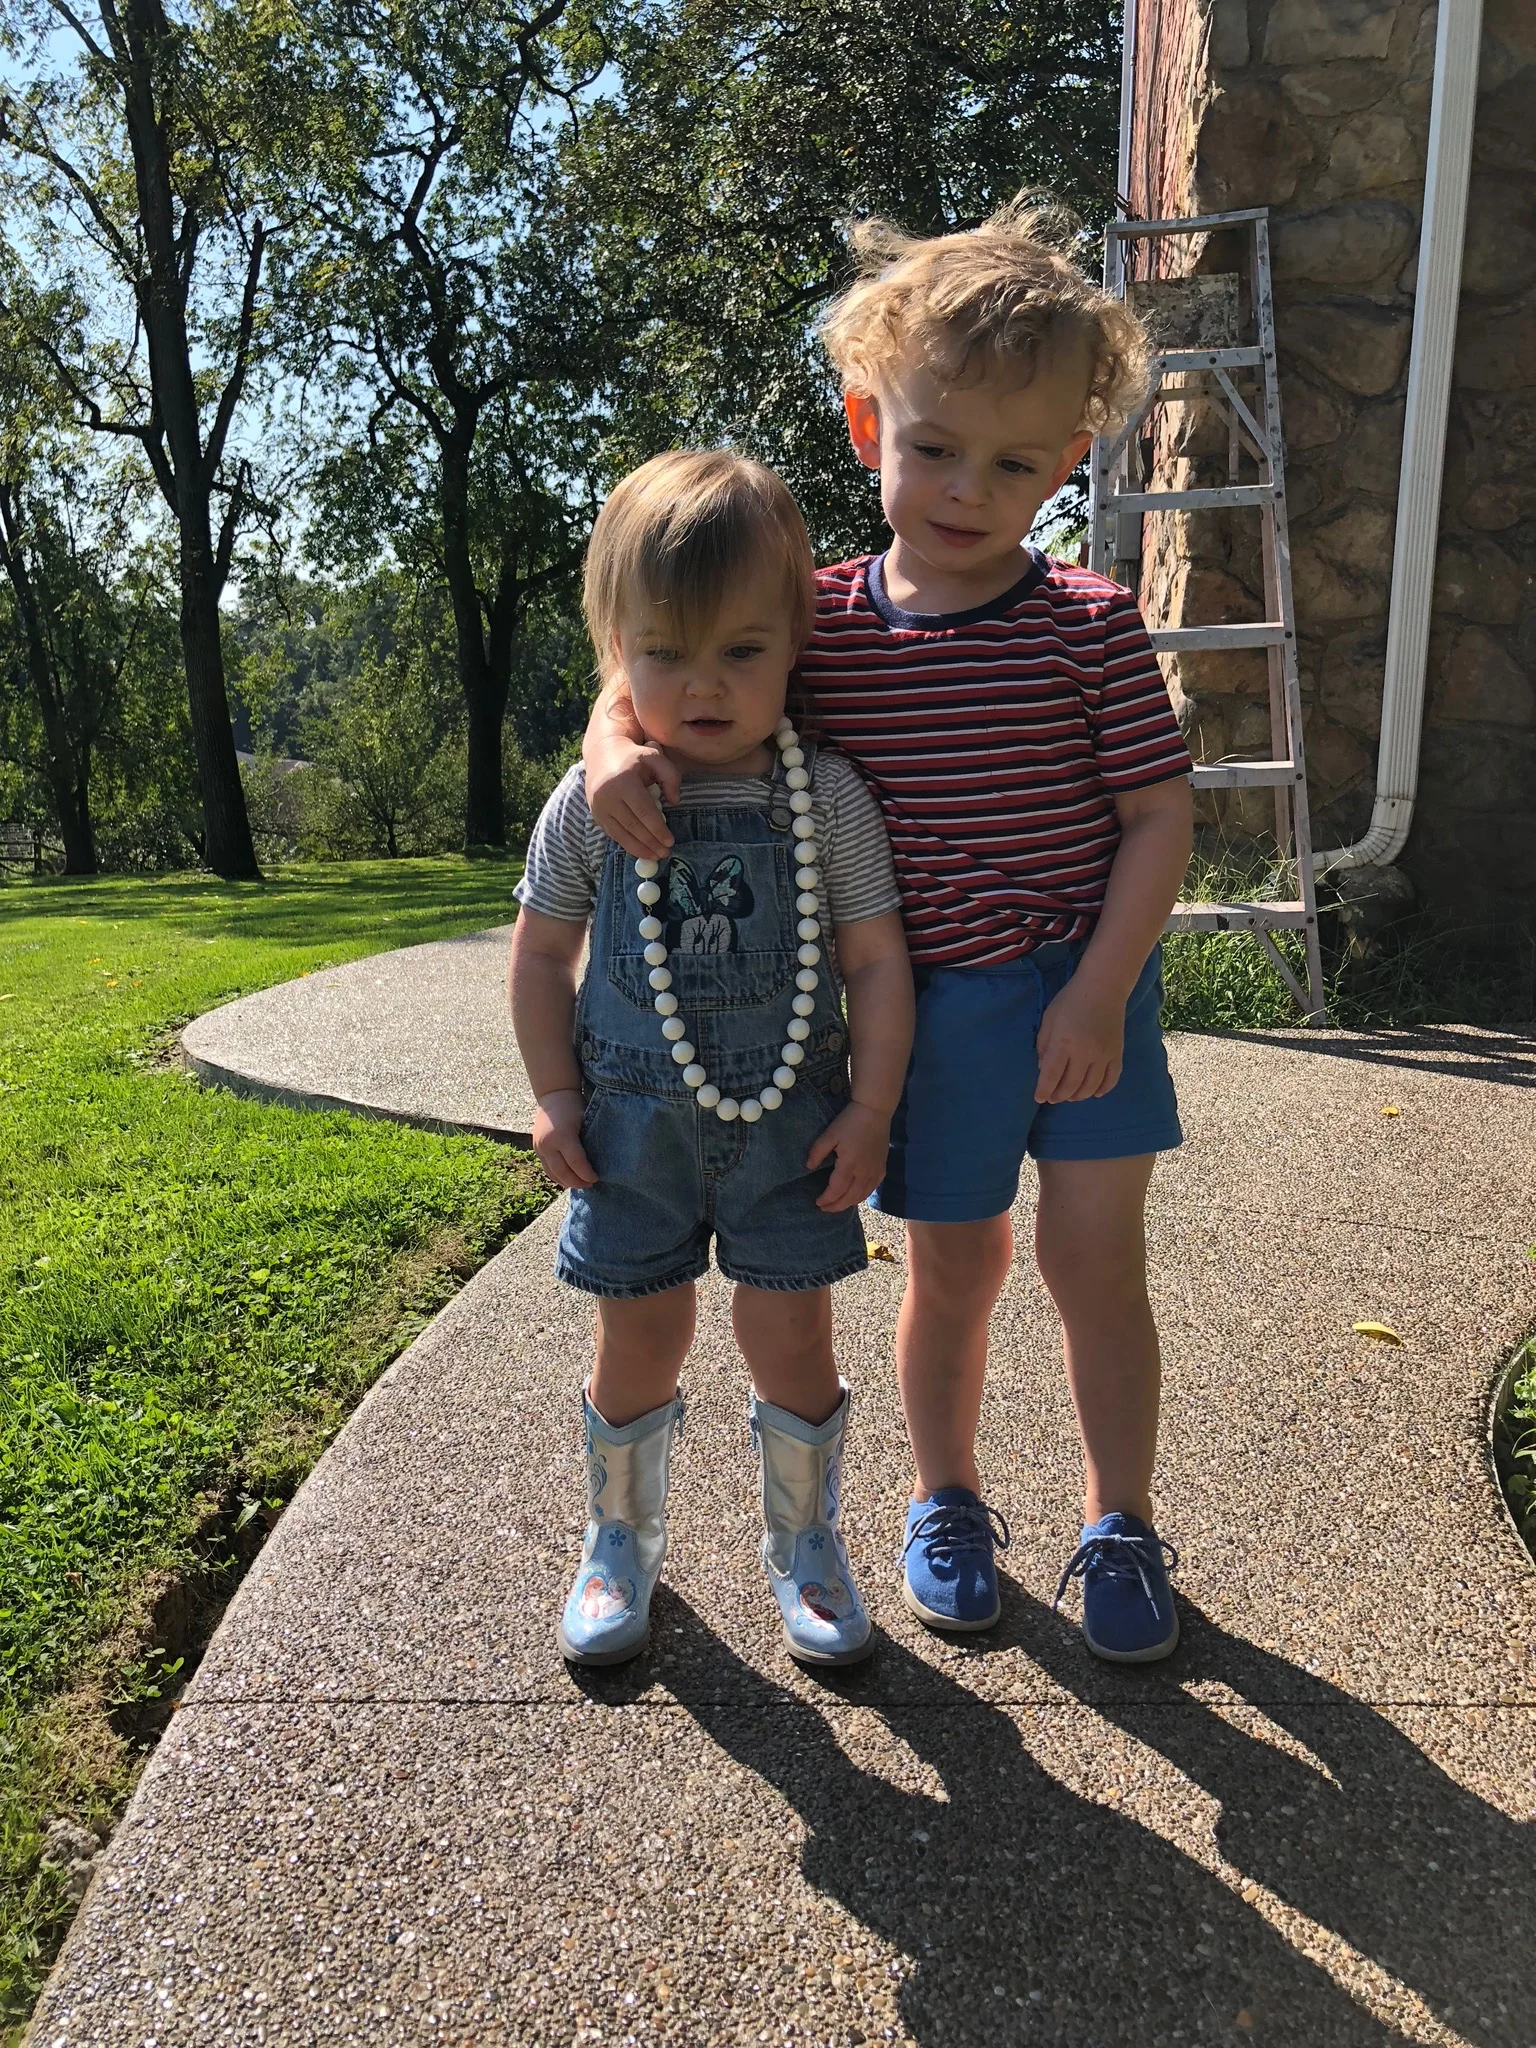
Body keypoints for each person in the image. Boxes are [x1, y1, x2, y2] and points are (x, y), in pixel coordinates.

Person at [583, 201, 1195, 1664]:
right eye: (935, 448)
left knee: (1096, 1266)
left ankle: (1120, 1520)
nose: (969, 490)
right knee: (955, 1267)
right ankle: (947, 1501)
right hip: (939, 1006)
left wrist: (1102, 988)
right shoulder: (824, 624)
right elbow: (669, 656)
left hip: (1091, 984)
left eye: (1014, 463)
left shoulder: (1092, 624)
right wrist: (609, 747)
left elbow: (1160, 819)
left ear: (1070, 461)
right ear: (869, 427)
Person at [510, 449, 913, 1670]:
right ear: (616, 650)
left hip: (794, 1133)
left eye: (742, 649)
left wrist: (873, 1106)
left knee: (792, 1338)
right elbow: (541, 955)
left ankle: (806, 1540)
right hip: (631, 1135)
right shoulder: (592, 803)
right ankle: (618, 1538)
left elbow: (875, 962)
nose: (704, 684)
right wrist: (553, 1093)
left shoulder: (827, 798)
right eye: (666, 652)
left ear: (795, 641)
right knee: (637, 1338)